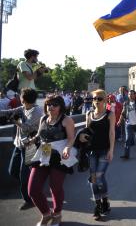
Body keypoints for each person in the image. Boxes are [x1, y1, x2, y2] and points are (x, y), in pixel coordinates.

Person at [28, 95, 77, 226]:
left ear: (61, 106)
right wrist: (31, 140)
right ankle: (46, 214)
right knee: (33, 189)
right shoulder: (44, 118)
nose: (51, 107)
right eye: (48, 104)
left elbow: (72, 138)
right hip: (44, 152)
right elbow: (39, 134)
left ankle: (57, 214)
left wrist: (67, 148)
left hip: (60, 154)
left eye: (54, 104)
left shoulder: (67, 120)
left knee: (55, 187)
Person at [0, 88, 43, 210]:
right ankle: (33, 185)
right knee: (13, 171)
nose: (19, 98)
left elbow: (26, 128)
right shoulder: (23, 108)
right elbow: (8, 111)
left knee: (24, 175)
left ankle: (29, 199)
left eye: (21, 96)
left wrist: (15, 121)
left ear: (24, 98)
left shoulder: (37, 111)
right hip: (19, 145)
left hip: (30, 147)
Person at [77, 89, 115, 220]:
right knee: (94, 178)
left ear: (105, 100)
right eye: (94, 99)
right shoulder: (89, 113)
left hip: (104, 150)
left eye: (99, 99)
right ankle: (100, 204)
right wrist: (82, 137)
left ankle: (104, 201)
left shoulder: (110, 114)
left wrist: (111, 150)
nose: (96, 101)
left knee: (99, 177)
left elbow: (112, 133)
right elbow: (86, 131)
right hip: (92, 151)